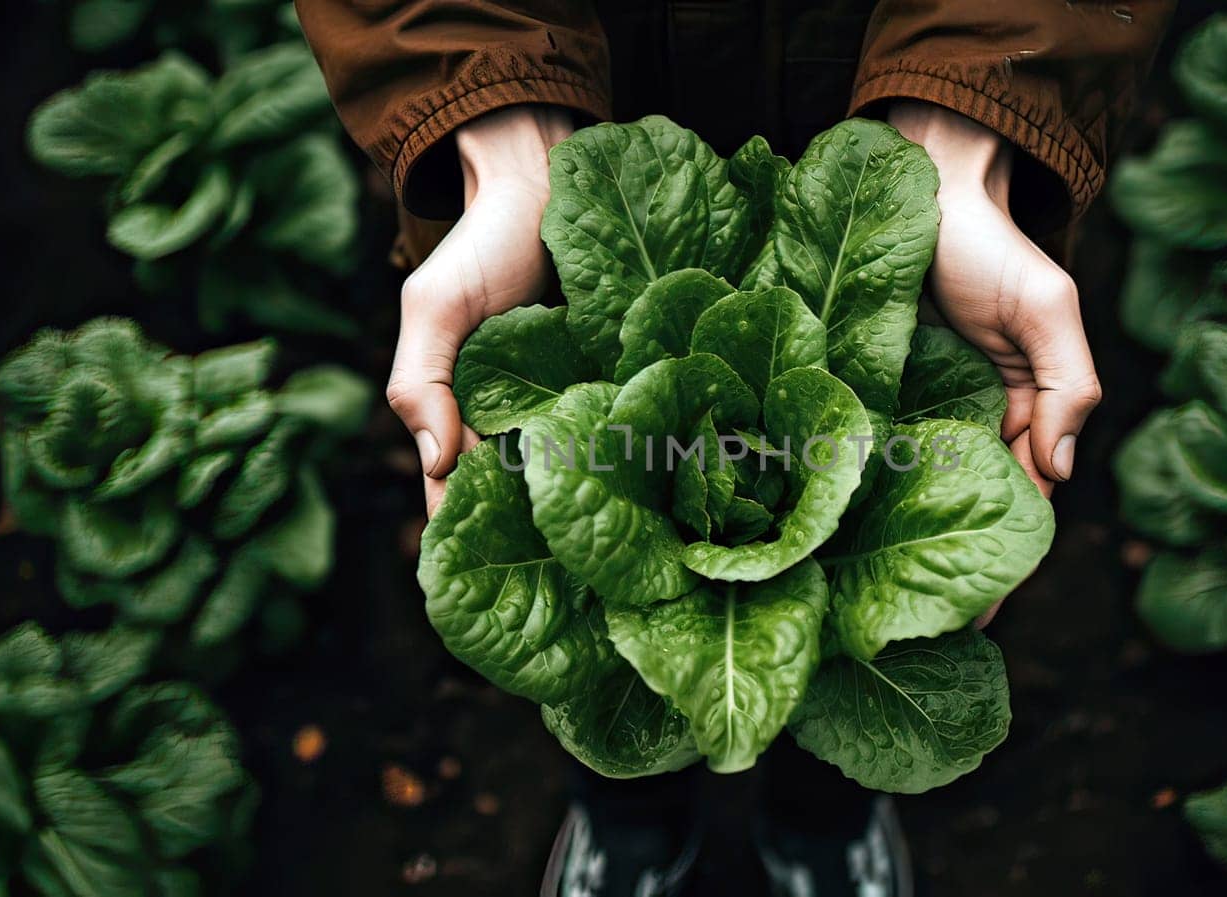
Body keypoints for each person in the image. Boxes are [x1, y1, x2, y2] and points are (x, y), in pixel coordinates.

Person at [297, 2, 1174, 894]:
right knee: (609, 692)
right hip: (592, 58)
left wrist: (966, 117)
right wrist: (501, 125)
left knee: (849, 688)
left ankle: (819, 826)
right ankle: (633, 828)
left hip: (871, 68)